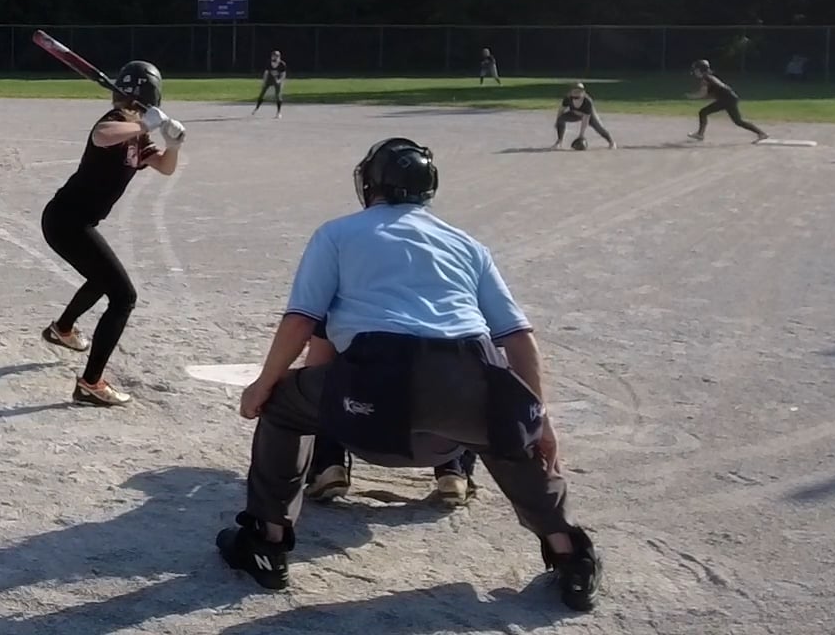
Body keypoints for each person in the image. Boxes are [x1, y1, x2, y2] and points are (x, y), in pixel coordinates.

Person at [215, 137, 601, 611]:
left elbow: (302, 321)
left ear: (370, 184)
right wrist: (538, 420)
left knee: (281, 404)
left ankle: (267, 542)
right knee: (507, 431)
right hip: (466, 376)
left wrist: (263, 384)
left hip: (375, 391)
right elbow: (518, 338)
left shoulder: (338, 234)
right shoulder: (467, 245)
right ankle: (570, 555)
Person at [39, 62, 184, 408]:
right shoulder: (116, 123)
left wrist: (173, 144)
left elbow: (165, 167)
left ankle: (62, 329)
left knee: (103, 278)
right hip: (66, 222)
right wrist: (144, 124)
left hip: (75, 223)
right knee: (123, 296)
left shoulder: (137, 135)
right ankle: (91, 384)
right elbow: (101, 135)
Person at [301, 332, 479, 507]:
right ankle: (453, 471)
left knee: (325, 372)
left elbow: (314, 367)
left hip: (362, 436)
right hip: (440, 447)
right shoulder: (460, 313)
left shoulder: (344, 311)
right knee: (463, 363)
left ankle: (328, 465)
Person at [686, 59, 767, 143]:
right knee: (738, 121)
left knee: (703, 112)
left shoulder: (706, 79)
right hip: (729, 99)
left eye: (696, 70)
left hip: (727, 100)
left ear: (701, 70)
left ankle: (700, 134)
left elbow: (703, 93)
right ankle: (761, 133)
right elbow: (712, 93)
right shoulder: (710, 77)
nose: (695, 72)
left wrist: (691, 96)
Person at [553, 83, 615, 150]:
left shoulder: (587, 101)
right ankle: (559, 142)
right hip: (574, 114)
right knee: (561, 119)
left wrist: (581, 135)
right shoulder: (568, 98)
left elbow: (585, 119)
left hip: (589, 116)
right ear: (571, 92)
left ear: (583, 92)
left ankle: (611, 142)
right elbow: (561, 110)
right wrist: (557, 121)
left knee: (598, 127)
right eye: (574, 90)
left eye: (579, 91)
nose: (576, 92)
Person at [253, 51, 287, 118]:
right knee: (262, 93)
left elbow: (283, 74)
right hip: (270, 79)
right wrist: (264, 82)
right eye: (273, 56)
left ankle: (278, 112)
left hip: (277, 79)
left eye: (276, 56)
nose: (274, 57)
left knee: (278, 95)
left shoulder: (282, 64)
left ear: (279, 57)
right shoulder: (269, 63)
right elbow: (266, 73)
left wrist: (280, 81)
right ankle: (256, 108)